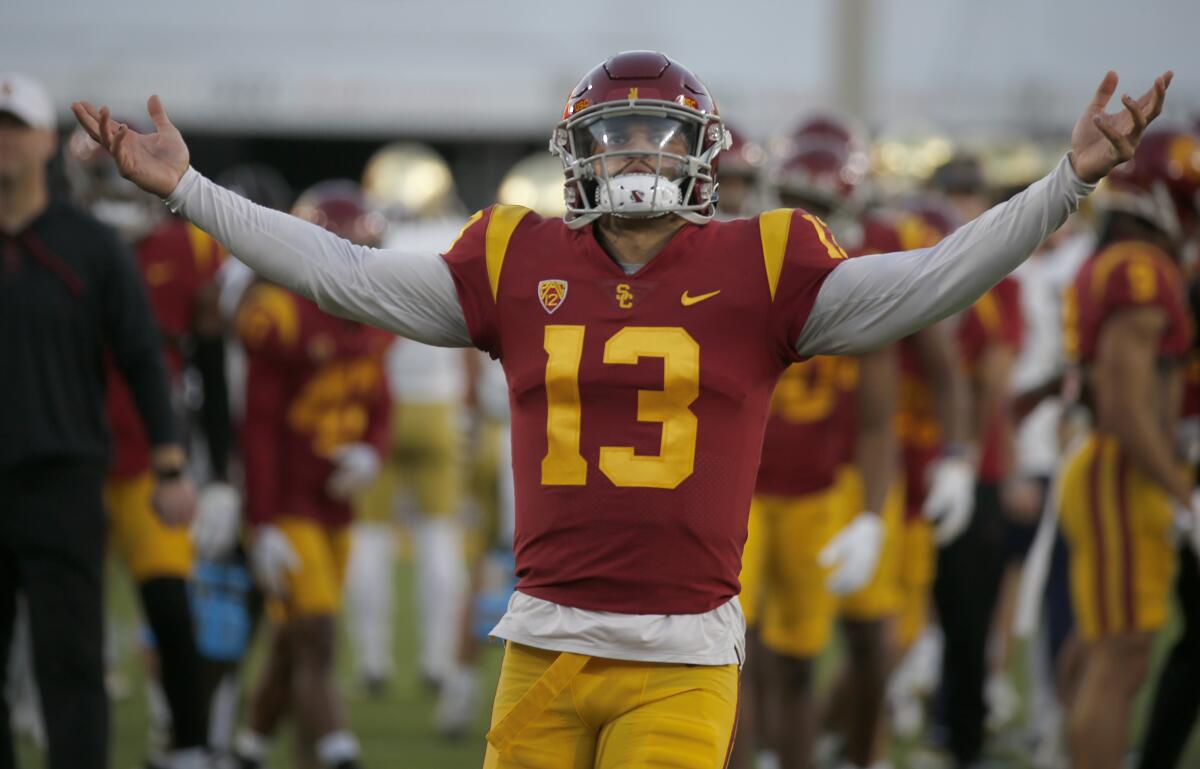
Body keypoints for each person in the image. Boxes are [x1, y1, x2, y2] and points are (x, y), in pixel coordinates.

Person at [73, 52, 1168, 767]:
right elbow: (339, 273)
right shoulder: (513, 256)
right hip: (541, 647)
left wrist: (1065, 182)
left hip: (682, 650)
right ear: (577, 153)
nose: (636, 152)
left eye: (658, 134)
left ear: (701, 154)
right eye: (614, 135)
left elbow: (936, 276)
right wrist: (187, 191)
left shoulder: (768, 260)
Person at [0, 72, 195, 769]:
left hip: (63, 476)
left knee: (72, 666)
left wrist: (171, 460)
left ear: (46, 139)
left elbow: (144, 357)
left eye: (15, 126)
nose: (4, 142)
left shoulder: (88, 244)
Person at [66, 123, 238, 769]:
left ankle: (188, 745)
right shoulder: (51, 244)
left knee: (170, 606)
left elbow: (213, 359)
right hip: (68, 458)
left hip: (150, 458)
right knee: (64, 619)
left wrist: (220, 468)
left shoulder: (190, 249)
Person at [1057, 128, 1200, 769]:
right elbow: (1125, 407)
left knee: (1107, 648)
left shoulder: (1122, 261)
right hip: (1123, 470)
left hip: (1116, 467)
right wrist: (1182, 490)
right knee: (1121, 656)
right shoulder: (1141, 268)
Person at [352, 142, 472, 695]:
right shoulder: (456, 236)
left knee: (370, 534)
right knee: (440, 535)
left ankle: (373, 661)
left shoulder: (372, 236)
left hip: (378, 403)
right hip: (439, 404)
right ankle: (436, 661)